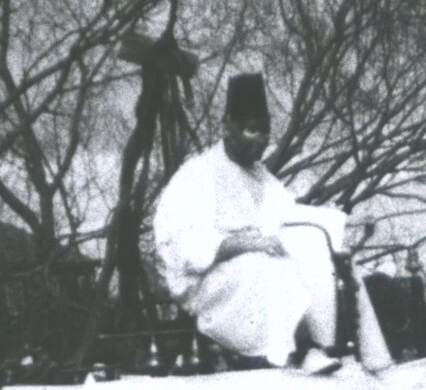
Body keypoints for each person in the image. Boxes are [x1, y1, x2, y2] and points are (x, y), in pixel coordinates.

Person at [152, 72, 388, 372]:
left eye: (265, 132)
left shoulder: (260, 176)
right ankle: (292, 352)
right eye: (252, 130)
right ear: (227, 126)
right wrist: (246, 242)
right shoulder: (198, 173)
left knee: (318, 251)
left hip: (254, 264)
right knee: (274, 266)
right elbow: (187, 246)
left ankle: (343, 350)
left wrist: (346, 223)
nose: (261, 140)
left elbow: (291, 215)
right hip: (210, 280)